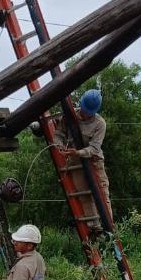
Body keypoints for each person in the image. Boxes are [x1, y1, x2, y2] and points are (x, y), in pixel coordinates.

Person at [53, 88, 113, 232]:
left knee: (102, 194)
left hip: (94, 161)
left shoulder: (100, 124)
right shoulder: (69, 115)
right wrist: (59, 146)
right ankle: (94, 227)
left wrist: (78, 152)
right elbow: (59, 133)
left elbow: (94, 148)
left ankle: (109, 229)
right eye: (84, 110)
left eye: (88, 112)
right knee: (84, 194)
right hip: (75, 162)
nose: (85, 114)